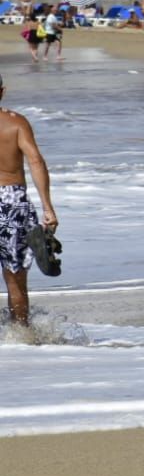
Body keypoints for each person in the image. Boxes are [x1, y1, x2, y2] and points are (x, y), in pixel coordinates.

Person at [0, 73, 58, 328]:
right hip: (12, 200)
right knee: (15, 277)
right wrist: (48, 208)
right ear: (2, 91)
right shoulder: (15, 123)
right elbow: (35, 160)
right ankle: (21, 333)